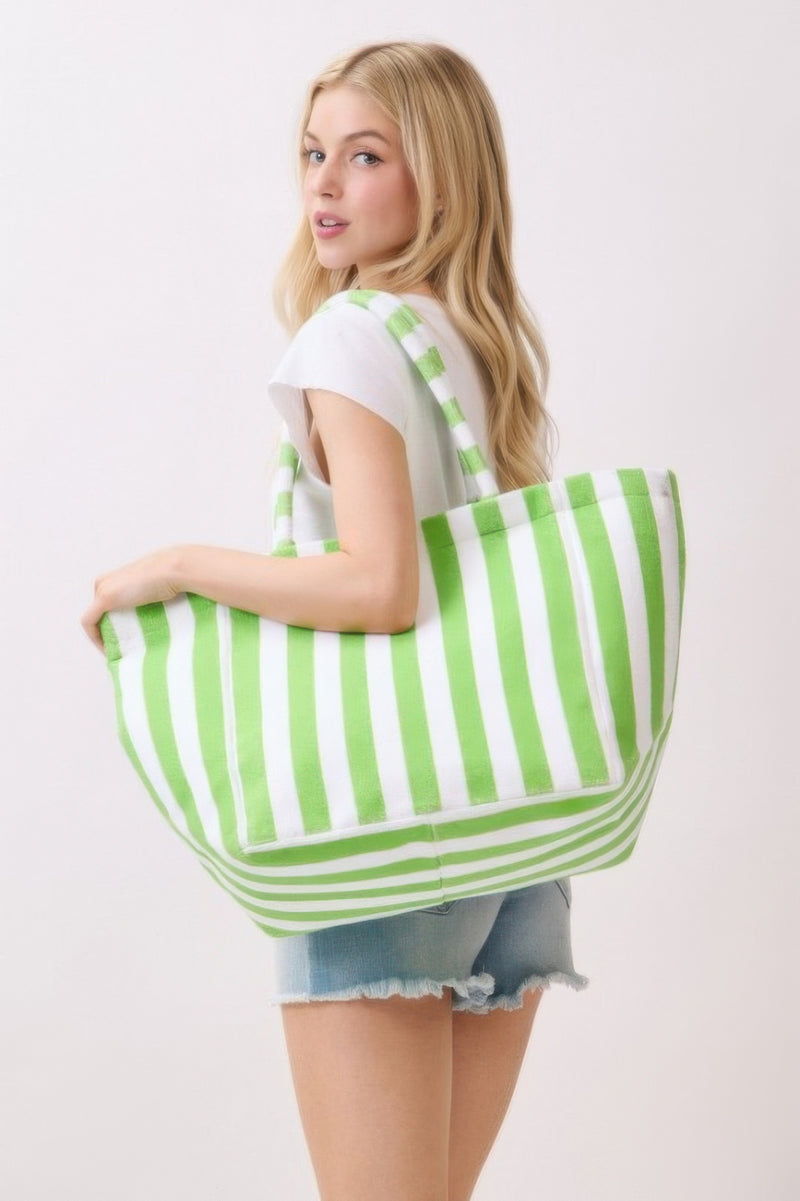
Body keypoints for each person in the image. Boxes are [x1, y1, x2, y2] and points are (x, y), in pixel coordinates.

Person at [81, 39, 587, 1201]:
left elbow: (378, 584)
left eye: (363, 156)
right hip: (514, 831)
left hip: (390, 831)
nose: (321, 184)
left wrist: (173, 566)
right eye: (313, 153)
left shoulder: (351, 335)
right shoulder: (478, 348)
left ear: (442, 183)